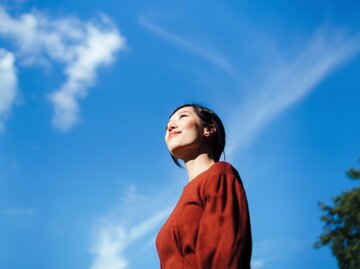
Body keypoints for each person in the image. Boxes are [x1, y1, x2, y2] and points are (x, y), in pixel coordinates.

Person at [156, 103, 252, 269]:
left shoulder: (220, 174)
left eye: (183, 116)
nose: (170, 126)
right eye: (167, 126)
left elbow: (226, 257)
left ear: (209, 130)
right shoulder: (182, 202)